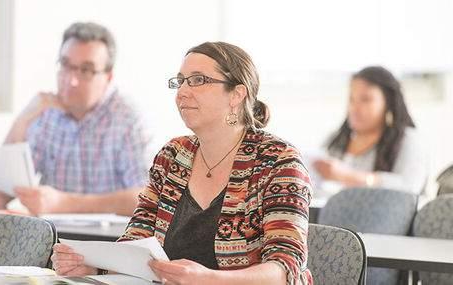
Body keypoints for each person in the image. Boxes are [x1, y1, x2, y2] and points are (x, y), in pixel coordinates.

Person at [51, 42, 313, 284]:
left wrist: (208, 279)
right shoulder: (173, 155)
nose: (182, 92)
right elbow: (137, 241)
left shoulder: (278, 160)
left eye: (198, 80)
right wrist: (96, 267)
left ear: (236, 94)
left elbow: (284, 268)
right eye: (180, 81)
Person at [0, 22, 149, 216]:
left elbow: (147, 199)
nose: (71, 80)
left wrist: (64, 203)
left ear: (108, 77)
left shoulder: (128, 119)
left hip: (110, 241)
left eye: (86, 70)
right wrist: (21, 122)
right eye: (66, 65)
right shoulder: (46, 113)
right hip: (52, 239)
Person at [313, 66, 427, 195]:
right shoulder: (334, 140)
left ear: (389, 103)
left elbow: (409, 186)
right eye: (352, 99)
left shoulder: (407, 140)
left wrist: (351, 177)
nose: (355, 108)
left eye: (366, 99)